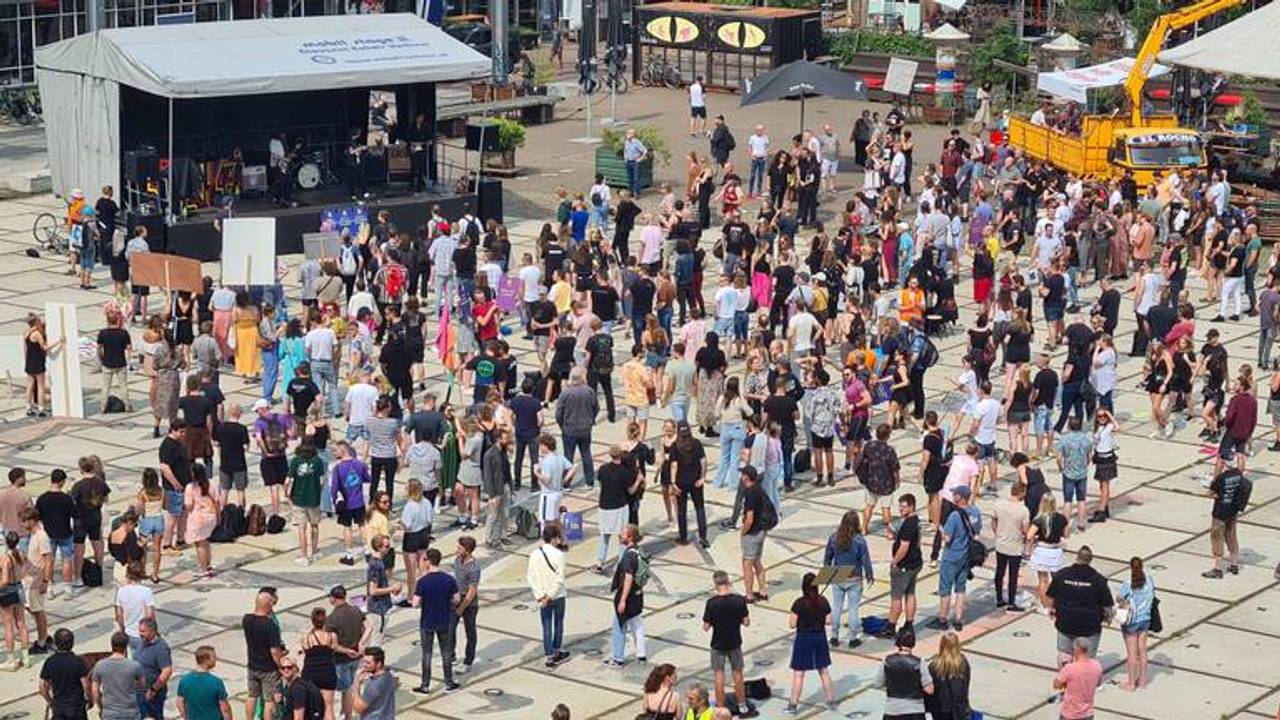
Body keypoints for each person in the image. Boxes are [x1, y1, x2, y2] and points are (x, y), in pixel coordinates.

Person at [701, 570, 757, 718]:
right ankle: (742, 705)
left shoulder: (711, 603)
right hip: (735, 642)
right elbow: (746, 622)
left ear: (715, 584)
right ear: (728, 582)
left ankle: (720, 707)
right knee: (737, 673)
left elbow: (706, 627)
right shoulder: (739, 600)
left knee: (719, 674)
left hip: (718, 643)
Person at [1047, 546, 1114, 664]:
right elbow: (1107, 605)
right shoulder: (1098, 580)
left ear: (1077, 557)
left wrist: (1051, 610)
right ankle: (1084, 679)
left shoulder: (1062, 575)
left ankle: (1065, 678)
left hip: (1065, 622)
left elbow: (1051, 596)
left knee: (1064, 655)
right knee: (1087, 659)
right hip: (1089, 626)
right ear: (1090, 560)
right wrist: (1108, 618)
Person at [928, 485, 980, 631]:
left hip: (951, 556)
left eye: (955, 494)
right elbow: (976, 531)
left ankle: (943, 619)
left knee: (945, 589)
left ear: (959, 497)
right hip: (966, 556)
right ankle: (958, 619)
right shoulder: (975, 512)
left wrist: (940, 529)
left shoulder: (954, 516)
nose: (953, 496)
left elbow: (948, 539)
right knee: (961, 589)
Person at [783, 572, 835, 714]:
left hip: (804, 638)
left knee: (799, 673)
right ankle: (831, 701)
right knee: (823, 670)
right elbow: (829, 621)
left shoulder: (799, 603)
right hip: (819, 637)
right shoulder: (823, 601)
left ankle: (793, 705)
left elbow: (792, 624)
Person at [411, 548, 460, 694]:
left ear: (428, 561)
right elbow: (457, 599)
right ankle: (449, 682)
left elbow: (414, 603)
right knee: (446, 652)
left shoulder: (423, 582)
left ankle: (425, 685)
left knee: (427, 653)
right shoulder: (449, 579)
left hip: (427, 621)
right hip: (444, 619)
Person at [823, 509, 873, 648]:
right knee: (853, 609)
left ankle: (834, 636)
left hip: (838, 575)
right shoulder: (859, 540)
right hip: (854, 577)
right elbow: (865, 559)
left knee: (837, 607)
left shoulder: (834, 537)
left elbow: (827, 557)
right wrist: (869, 574)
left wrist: (827, 572)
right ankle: (852, 638)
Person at [526, 524, 570, 667]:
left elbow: (531, 577)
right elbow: (560, 579)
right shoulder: (559, 555)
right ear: (555, 538)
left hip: (541, 596)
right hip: (557, 596)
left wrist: (540, 595)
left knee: (546, 625)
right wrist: (550, 596)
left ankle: (549, 654)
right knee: (558, 623)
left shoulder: (534, 554)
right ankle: (557, 650)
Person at [605, 524, 647, 667]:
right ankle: (641, 654)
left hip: (628, 596)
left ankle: (618, 658)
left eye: (623, 534)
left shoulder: (629, 556)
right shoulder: (639, 551)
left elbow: (628, 578)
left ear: (630, 537)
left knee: (619, 625)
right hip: (638, 594)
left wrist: (622, 600)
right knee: (637, 622)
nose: (620, 536)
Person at [324, 584, 367, 720]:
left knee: (346, 690)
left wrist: (346, 651)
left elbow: (333, 644)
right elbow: (368, 627)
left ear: (333, 599)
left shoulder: (332, 619)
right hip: (356, 656)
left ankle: (347, 715)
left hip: (341, 659)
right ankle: (346, 713)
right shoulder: (356, 610)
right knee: (352, 684)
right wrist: (361, 643)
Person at [884, 493, 923, 638]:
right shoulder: (915, 521)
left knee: (896, 597)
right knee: (910, 594)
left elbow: (904, 546)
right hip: (916, 563)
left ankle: (891, 627)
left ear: (911, 506)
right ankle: (909, 624)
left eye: (904, 506)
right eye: (900, 506)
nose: (901, 509)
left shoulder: (908, 524)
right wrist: (895, 537)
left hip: (904, 566)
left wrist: (895, 561)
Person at [242, 590, 285, 720]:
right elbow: (274, 651)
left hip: (252, 665)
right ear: (268, 605)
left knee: (252, 696)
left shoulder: (247, 619)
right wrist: (280, 665)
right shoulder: (270, 626)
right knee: (269, 700)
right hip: (268, 668)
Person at [876, 627, 933, 720]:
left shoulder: (887, 661)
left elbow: (878, 683)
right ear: (913, 642)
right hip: (915, 710)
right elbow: (929, 689)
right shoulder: (920, 662)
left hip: (892, 709)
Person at [1117, 556, 1155, 691]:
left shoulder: (1128, 584)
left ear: (1131, 568)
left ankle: (1131, 683)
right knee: (1143, 651)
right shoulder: (1149, 581)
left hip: (1132, 621)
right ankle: (1143, 681)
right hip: (1145, 619)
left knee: (1132, 654)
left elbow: (1120, 598)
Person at [1203, 465, 1248, 579]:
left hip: (1220, 512)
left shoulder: (1221, 478)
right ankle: (1234, 564)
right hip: (1233, 510)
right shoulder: (1239, 475)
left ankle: (1217, 569)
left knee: (1217, 537)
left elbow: (1209, 493)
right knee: (1231, 534)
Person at [992, 482, 1030, 612]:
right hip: (1015, 546)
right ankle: (1011, 602)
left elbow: (994, 521)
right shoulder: (1023, 510)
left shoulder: (999, 504)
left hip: (1001, 543)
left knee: (1000, 571)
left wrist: (997, 533)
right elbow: (1025, 530)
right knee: (1013, 575)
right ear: (1021, 493)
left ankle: (998, 598)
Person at [671, 422, 710, 548]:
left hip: (681, 481)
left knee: (682, 510)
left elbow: (674, 465)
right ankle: (703, 536)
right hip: (696, 481)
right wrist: (703, 477)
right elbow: (703, 461)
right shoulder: (696, 443)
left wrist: (673, 482)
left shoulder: (675, 446)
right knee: (699, 507)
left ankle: (683, 537)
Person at [39, 628, 91, 720]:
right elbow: (85, 684)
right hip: (76, 707)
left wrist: (50, 702)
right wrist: (90, 699)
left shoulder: (50, 662)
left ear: (55, 643)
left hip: (59, 708)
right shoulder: (78, 661)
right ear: (72, 643)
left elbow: (42, 687)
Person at [738, 466, 772, 603]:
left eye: (742, 474)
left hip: (752, 533)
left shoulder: (750, 493)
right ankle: (763, 591)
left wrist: (743, 531)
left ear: (746, 477)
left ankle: (749, 594)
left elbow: (750, 518)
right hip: (761, 530)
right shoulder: (759, 489)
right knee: (757, 562)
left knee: (747, 564)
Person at [91, 632, 144, 720]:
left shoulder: (100, 665)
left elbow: (95, 691)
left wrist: (99, 705)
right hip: (130, 712)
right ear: (126, 646)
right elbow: (142, 686)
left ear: (112, 645)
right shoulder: (135, 666)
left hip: (109, 713)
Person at [176, 645, 232, 720]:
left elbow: (179, 703)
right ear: (206, 660)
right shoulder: (216, 682)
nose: (216, 659)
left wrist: (185, 717)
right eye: (214, 657)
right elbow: (225, 709)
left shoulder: (184, 680)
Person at [133, 618, 173, 720]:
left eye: (143, 631)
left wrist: (153, 689)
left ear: (153, 631)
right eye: (139, 630)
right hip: (139, 691)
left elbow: (167, 671)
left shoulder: (161, 648)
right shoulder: (141, 642)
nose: (140, 634)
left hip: (152, 694)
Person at [451, 537, 481, 674]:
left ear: (468, 551)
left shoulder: (473, 568)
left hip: (469, 602)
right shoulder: (457, 560)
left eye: (460, 549)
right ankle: (451, 657)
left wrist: (462, 607)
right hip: (456, 597)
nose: (457, 550)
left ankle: (468, 661)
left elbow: (472, 590)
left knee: (470, 632)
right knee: (450, 628)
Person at [1054, 637, 1103, 720]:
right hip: (1088, 714)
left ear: (1075, 650)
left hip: (1070, 714)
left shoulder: (1070, 668)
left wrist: (1062, 672)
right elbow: (1098, 683)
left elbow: (1056, 685)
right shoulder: (1097, 665)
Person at [927, 632, 971, 720]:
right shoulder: (962, 662)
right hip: (959, 707)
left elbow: (930, 688)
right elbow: (966, 683)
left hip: (940, 707)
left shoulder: (934, 664)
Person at [352, 647, 395, 720]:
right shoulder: (389, 675)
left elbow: (357, 708)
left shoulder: (373, 685)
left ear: (378, 664)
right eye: (364, 661)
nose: (364, 665)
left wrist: (357, 683)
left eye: (368, 663)